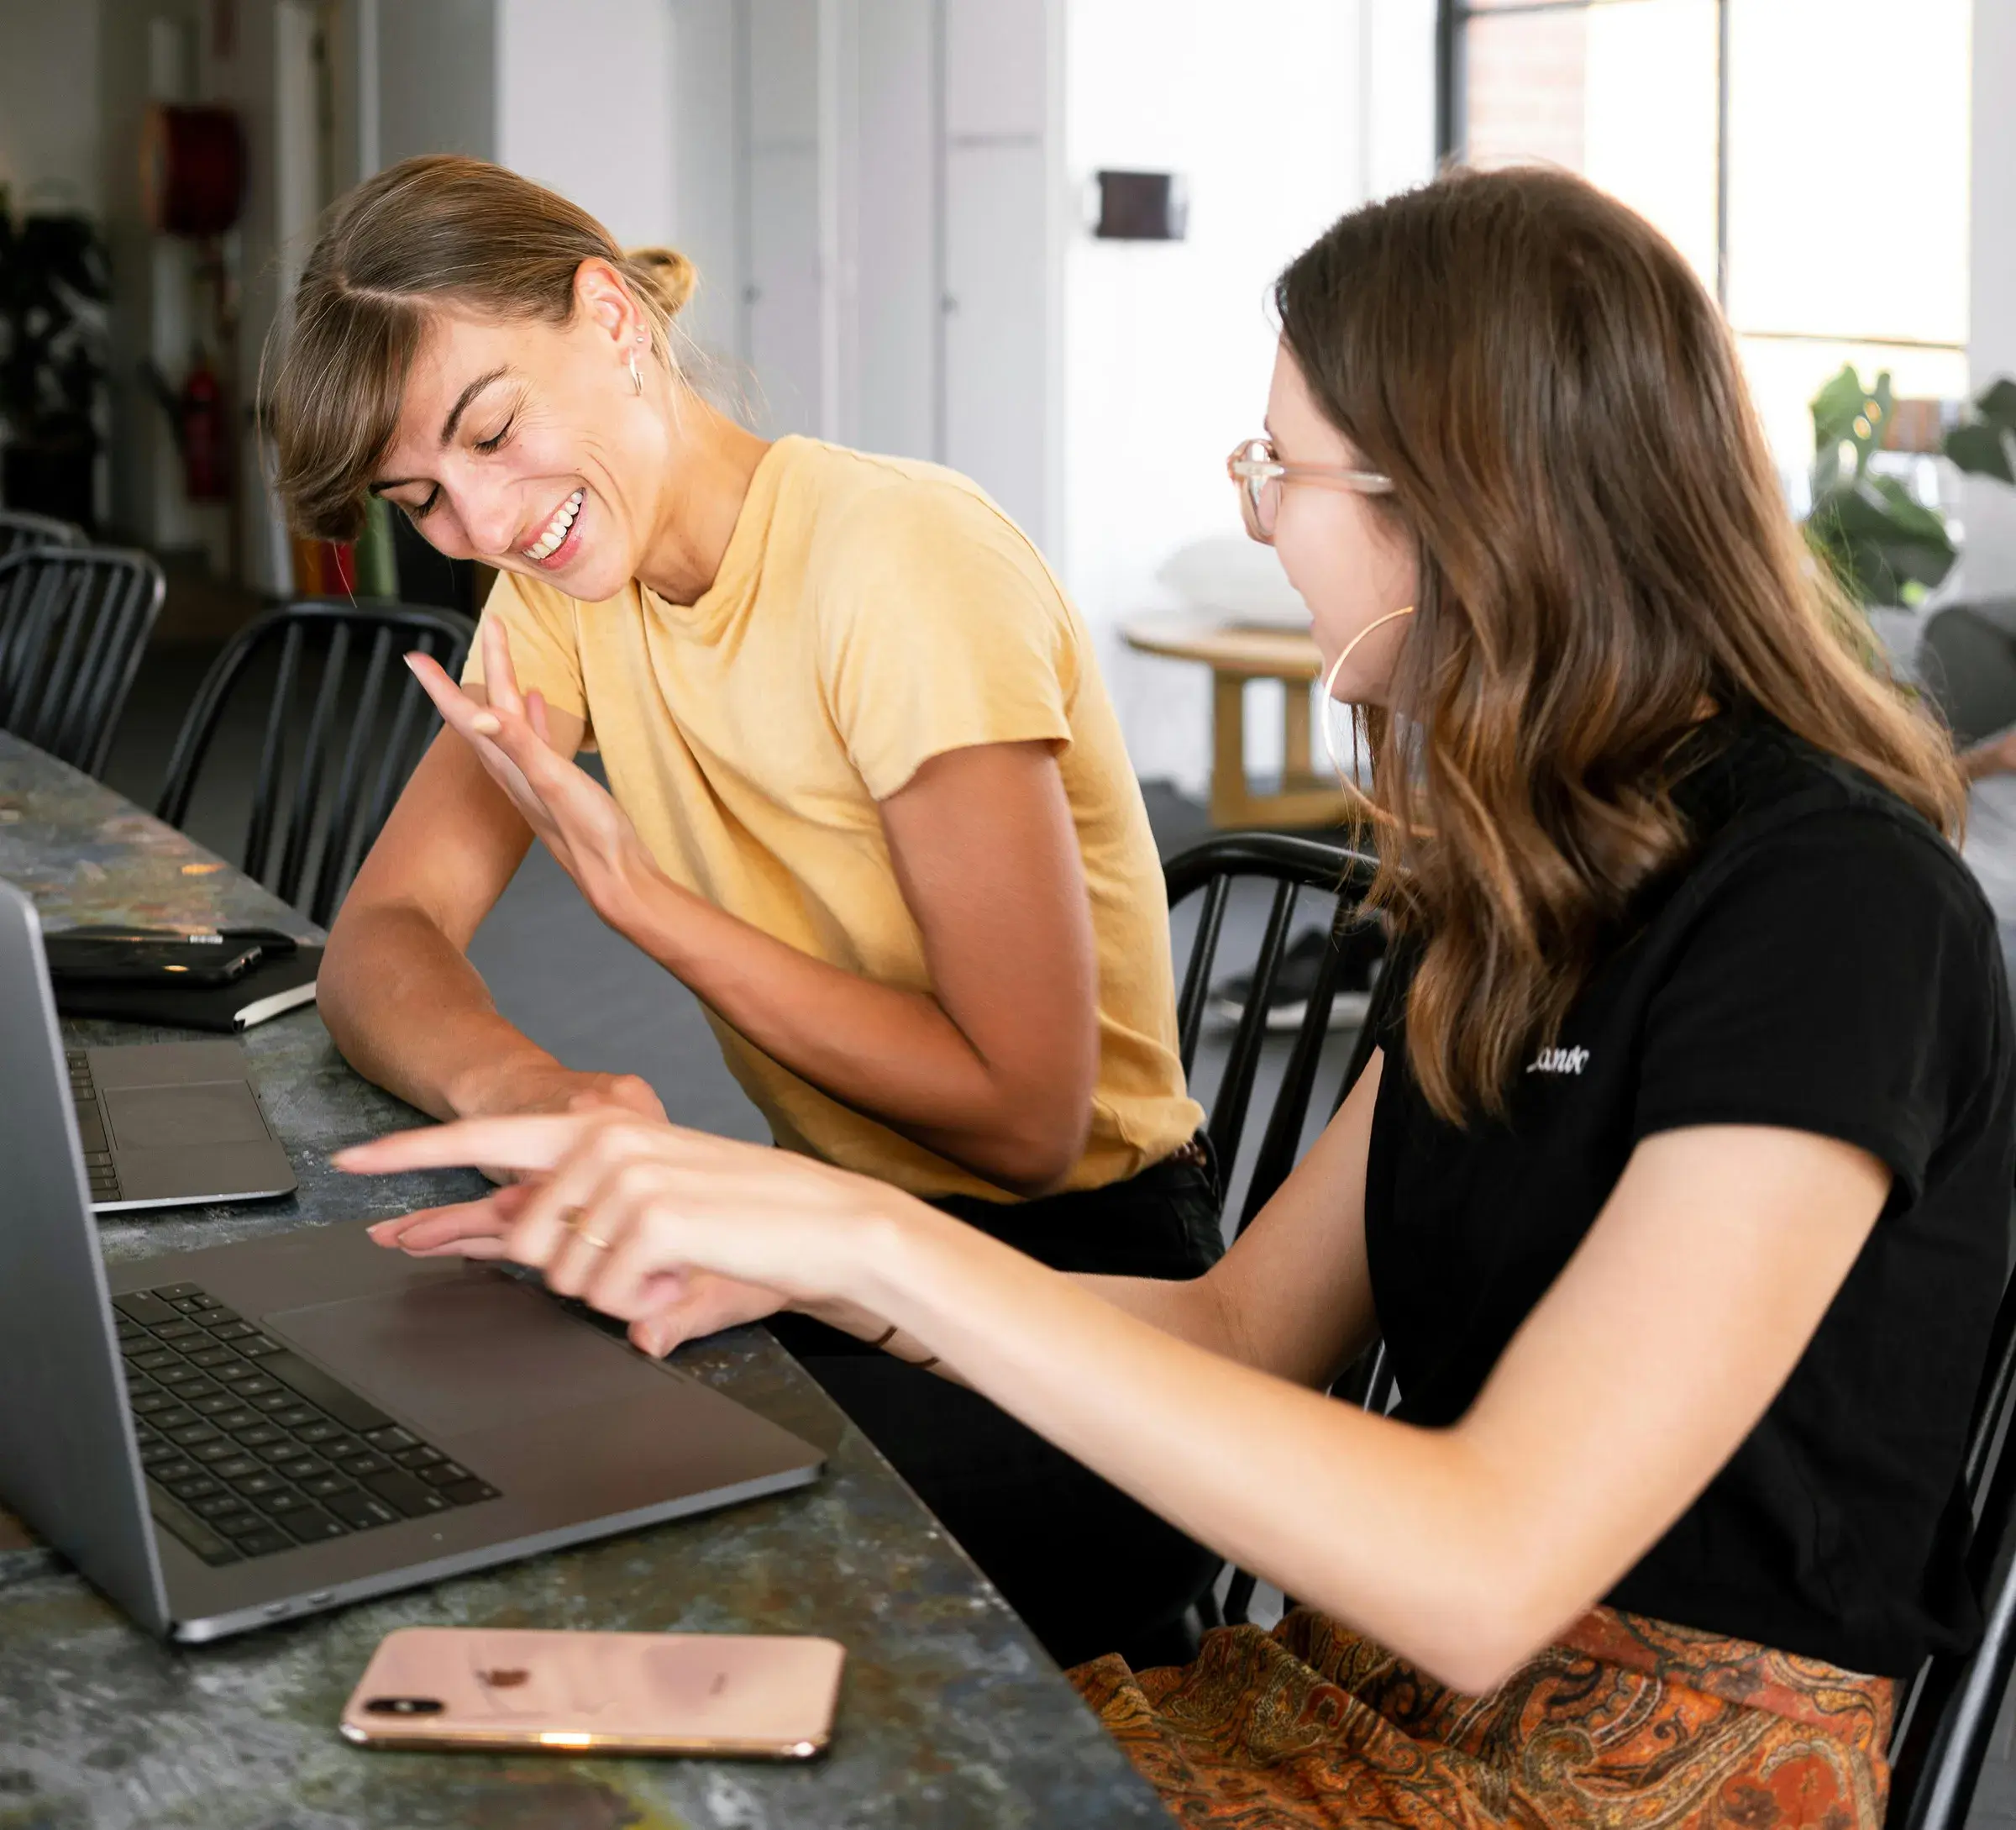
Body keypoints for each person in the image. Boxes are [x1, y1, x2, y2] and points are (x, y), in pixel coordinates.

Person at [339, 166, 2013, 1829]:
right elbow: (1240, 1332)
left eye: (1280, 468)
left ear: (1467, 502)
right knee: (610, 1747)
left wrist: (858, 1239)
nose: (1259, 515)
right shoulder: (1539, 879)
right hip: (1360, 1700)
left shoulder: (1834, 911)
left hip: (1629, 1776)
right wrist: (774, 1245)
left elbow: (1490, 1568)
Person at [265, 154, 1221, 1665]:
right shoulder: (570, 590)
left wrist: (647, 906)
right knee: (459, 1396)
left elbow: (1029, 1118)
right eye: (422, 499)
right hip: (830, 1247)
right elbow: (382, 942)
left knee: (597, 1510)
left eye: (495, 431)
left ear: (610, 315)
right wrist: (541, 1088)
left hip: (1085, 1311)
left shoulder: (898, 560)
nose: (488, 523)